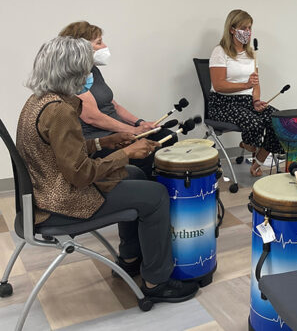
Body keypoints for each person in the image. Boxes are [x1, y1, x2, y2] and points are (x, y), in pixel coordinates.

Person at [17, 36, 198, 302]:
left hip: (45, 194)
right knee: (156, 195)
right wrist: (125, 153)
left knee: (135, 175)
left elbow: (59, 153)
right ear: (73, 71)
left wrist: (105, 141)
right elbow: (79, 174)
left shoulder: (38, 100)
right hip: (62, 203)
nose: (90, 75)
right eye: (87, 69)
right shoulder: (60, 111)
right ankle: (156, 282)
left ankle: (130, 257)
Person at [58, 21, 175, 178]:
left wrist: (140, 123)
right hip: (101, 139)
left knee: (167, 136)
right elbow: (92, 117)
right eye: (99, 42)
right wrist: (132, 131)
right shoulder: (72, 76)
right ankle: (149, 192)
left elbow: (115, 106)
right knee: (147, 152)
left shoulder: (93, 71)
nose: (104, 46)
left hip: (118, 131)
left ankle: (165, 190)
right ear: (82, 46)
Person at [208, 9, 283, 177]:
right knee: (255, 123)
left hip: (247, 103)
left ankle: (258, 162)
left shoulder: (251, 54)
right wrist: (245, 85)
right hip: (223, 104)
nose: (248, 32)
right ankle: (248, 144)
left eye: (250, 28)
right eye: (244, 28)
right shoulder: (220, 52)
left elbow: (255, 84)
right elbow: (219, 85)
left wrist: (256, 100)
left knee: (279, 121)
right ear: (232, 29)